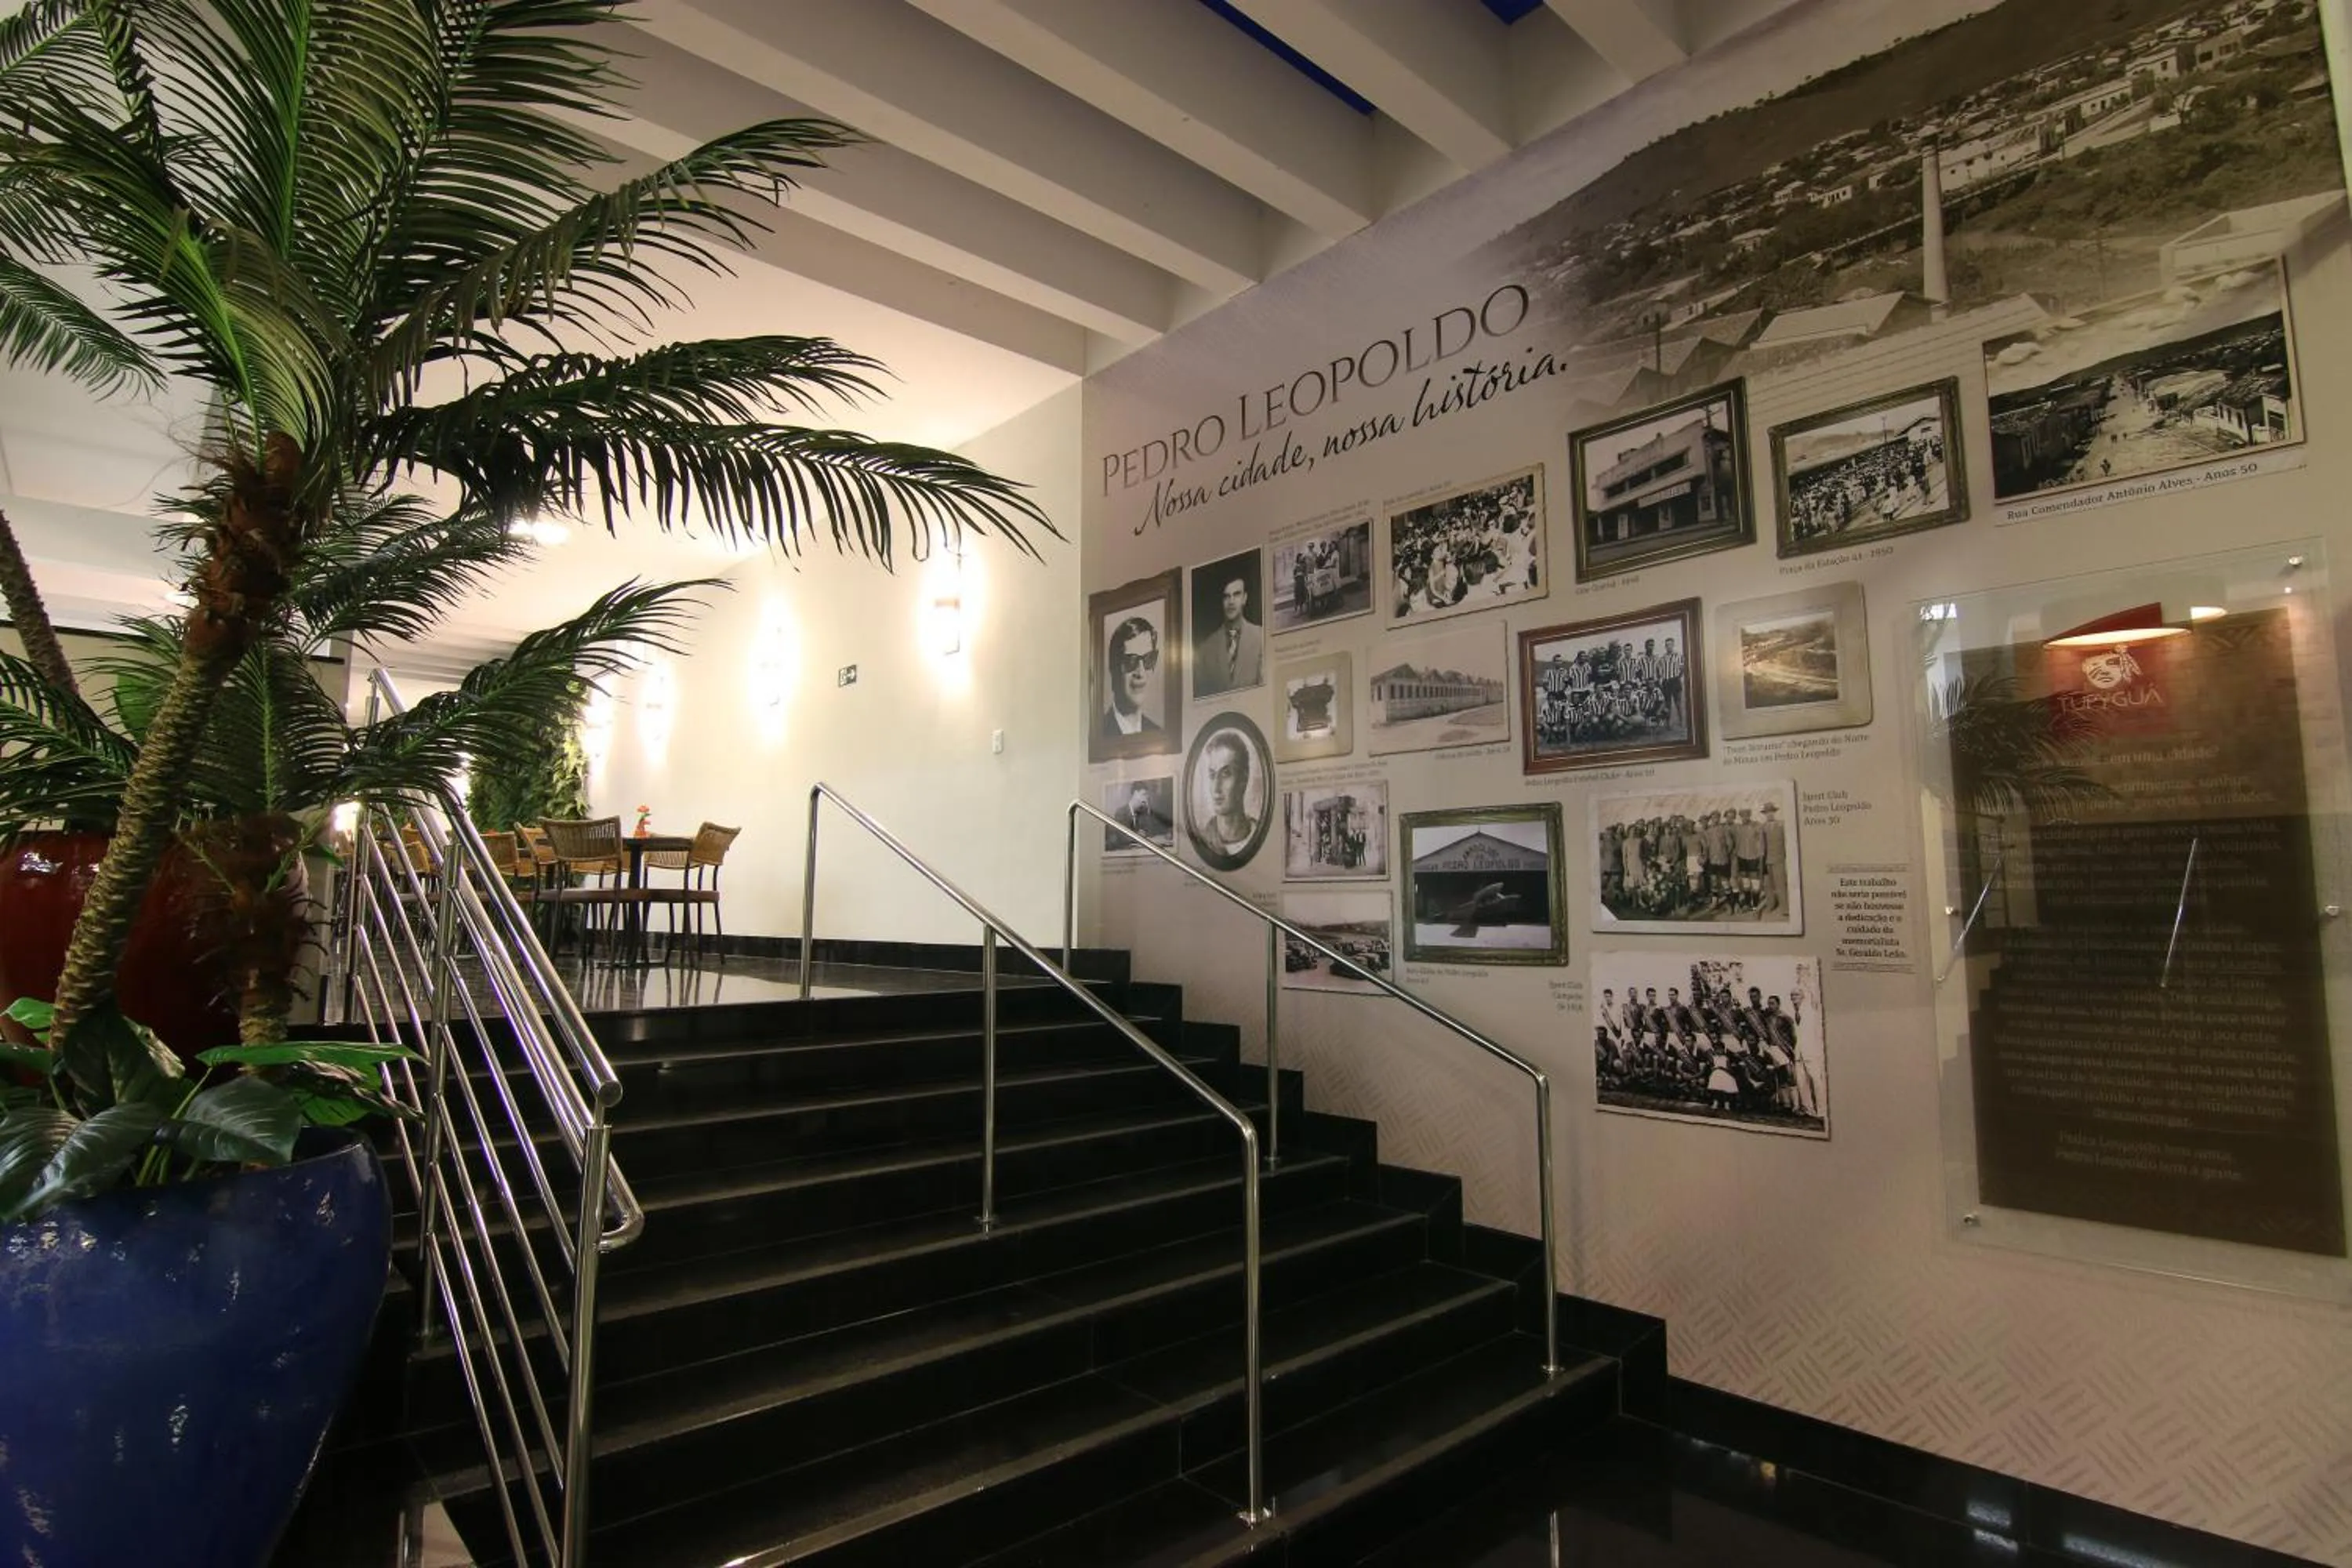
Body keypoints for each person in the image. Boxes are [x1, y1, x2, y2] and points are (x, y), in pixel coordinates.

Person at [1196, 574, 1265, 694]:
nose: (1231, 602)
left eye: (1237, 595)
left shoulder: (1261, 637)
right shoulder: (1206, 649)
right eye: (1227, 597)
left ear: (1245, 598)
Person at [1100, 616, 1162, 741]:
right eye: (1131, 661)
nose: (1141, 672)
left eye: (1148, 659)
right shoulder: (1099, 735)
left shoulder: (1157, 733)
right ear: (1114, 669)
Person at [1200, 732, 1260, 858]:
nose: (1216, 788)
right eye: (1212, 775)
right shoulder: (1202, 840)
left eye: (1226, 774)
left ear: (1243, 780)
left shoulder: (1259, 834)